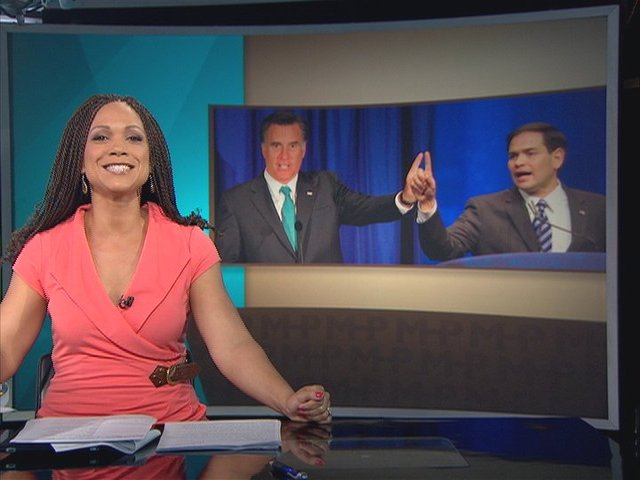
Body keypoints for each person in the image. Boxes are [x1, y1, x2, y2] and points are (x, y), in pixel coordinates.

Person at [0, 94, 331, 424]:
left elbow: (231, 345)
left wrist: (286, 400)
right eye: (101, 137)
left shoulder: (190, 245)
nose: (118, 148)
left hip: (169, 431)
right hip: (66, 438)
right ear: (79, 160)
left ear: (151, 160)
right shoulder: (44, 248)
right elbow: (6, 345)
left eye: (134, 138)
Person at [214, 110, 422, 263]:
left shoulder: (325, 186)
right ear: (263, 149)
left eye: (293, 146)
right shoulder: (236, 202)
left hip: (324, 305)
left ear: (303, 150)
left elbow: (366, 208)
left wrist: (405, 199)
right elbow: (228, 270)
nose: (285, 156)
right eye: (276, 145)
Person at [408, 122, 606, 260]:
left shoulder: (598, 208)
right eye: (513, 156)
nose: (518, 162)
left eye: (530, 153)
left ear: (557, 158)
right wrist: (427, 205)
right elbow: (442, 250)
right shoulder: (484, 210)